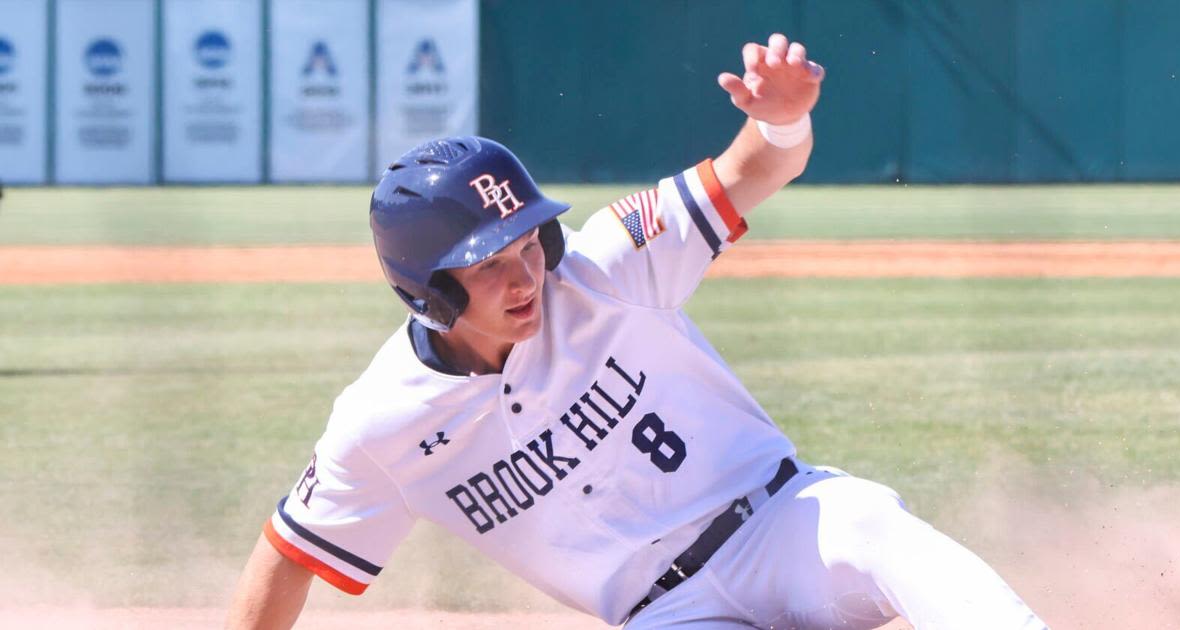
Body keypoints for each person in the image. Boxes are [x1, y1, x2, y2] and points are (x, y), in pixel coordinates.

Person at [226, 34, 1046, 629]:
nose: (524, 278)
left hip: (786, 528)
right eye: (487, 267)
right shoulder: (383, 423)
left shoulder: (606, 264)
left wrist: (785, 120)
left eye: (528, 246)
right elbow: (290, 555)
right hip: (671, 613)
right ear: (428, 293)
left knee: (875, 526)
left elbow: (750, 168)